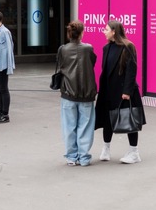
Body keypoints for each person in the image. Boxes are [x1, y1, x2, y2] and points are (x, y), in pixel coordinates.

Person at [94, 20, 145, 165]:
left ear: (114, 31)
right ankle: (106, 149)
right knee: (107, 120)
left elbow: (131, 69)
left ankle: (134, 152)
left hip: (123, 91)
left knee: (128, 119)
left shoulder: (128, 46)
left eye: (106, 29)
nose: (104, 31)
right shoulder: (106, 48)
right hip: (108, 90)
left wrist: (127, 91)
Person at [56, 20, 97, 167]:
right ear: (81, 33)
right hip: (86, 92)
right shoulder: (88, 48)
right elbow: (92, 62)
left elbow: (61, 66)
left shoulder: (63, 49)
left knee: (69, 126)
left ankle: (71, 157)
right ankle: (84, 157)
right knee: (85, 125)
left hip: (68, 91)